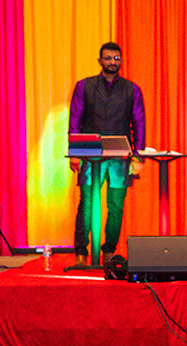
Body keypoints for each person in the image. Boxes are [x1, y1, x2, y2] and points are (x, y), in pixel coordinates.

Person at [69, 42, 145, 266]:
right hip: (88, 156)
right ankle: (81, 253)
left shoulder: (132, 89)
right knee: (87, 203)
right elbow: (75, 119)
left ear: (121, 61)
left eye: (116, 58)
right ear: (99, 61)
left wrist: (138, 156)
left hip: (120, 158)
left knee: (116, 206)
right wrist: (73, 152)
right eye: (108, 58)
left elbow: (138, 123)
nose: (113, 62)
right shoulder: (84, 86)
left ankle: (109, 251)